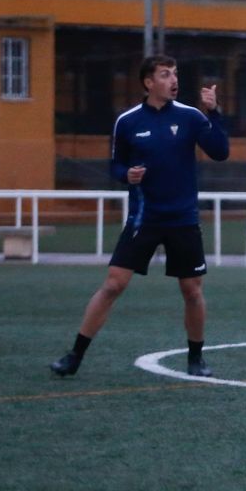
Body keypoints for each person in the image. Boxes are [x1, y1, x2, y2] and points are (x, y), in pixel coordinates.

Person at [51, 55, 230, 378]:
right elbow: (115, 166)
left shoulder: (191, 117)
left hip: (183, 219)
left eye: (175, 73)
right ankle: (74, 356)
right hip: (143, 218)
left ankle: (196, 358)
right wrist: (126, 176)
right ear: (149, 82)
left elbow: (220, 152)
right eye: (165, 74)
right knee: (113, 285)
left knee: (192, 290)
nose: (173, 79)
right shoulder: (128, 121)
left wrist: (214, 112)